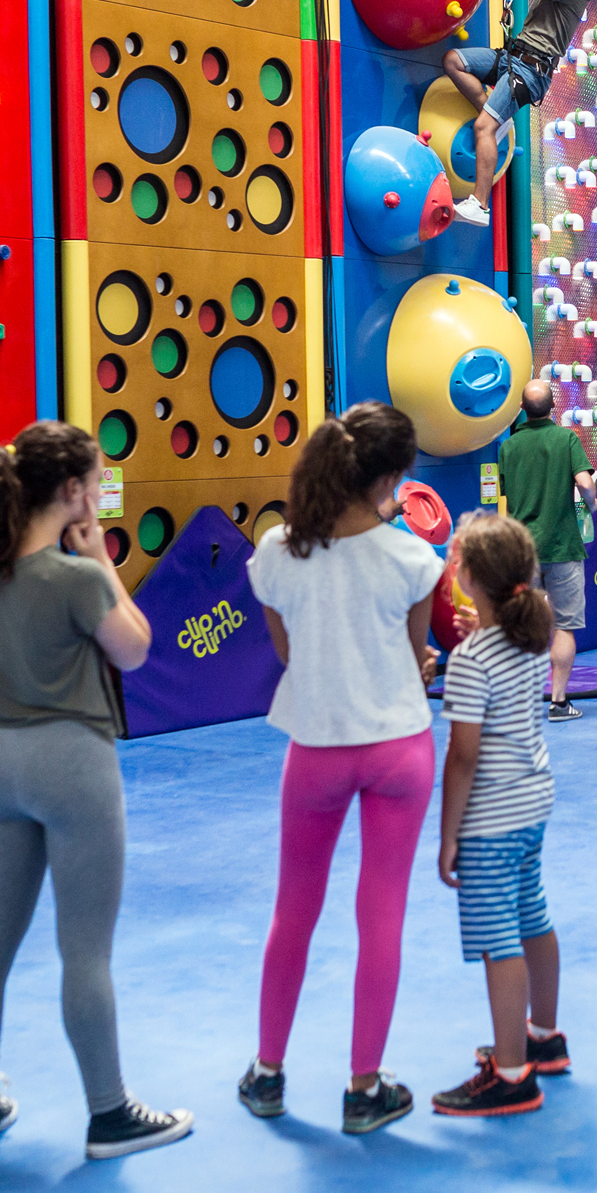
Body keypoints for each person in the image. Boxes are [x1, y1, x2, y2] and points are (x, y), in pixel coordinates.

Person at [0, 422, 191, 1160]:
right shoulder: (77, 578)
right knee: (85, 951)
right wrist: (103, 561)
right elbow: (138, 650)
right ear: (74, 492)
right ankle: (109, 1113)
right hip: (71, 762)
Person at [236, 403, 444, 1135]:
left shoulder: (278, 552)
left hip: (316, 746)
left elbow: (289, 651)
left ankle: (267, 1073)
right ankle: (364, 1089)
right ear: (389, 478)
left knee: (294, 910)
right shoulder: (414, 559)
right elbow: (416, 661)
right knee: (379, 914)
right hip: (399, 747)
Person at [434, 513, 568, 1117]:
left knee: (497, 941)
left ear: (467, 578)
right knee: (532, 914)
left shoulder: (468, 662)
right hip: (532, 802)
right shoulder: (524, 641)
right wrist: (477, 631)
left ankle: (511, 1075)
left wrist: (447, 836)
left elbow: (462, 756)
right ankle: (543, 1037)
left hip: (490, 815)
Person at [444, 0, 593, 227]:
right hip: (512, 56)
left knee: (483, 127)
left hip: (531, 72)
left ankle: (480, 206)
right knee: (453, 61)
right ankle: (497, 116)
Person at [496, 382, 597, 721]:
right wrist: (592, 503)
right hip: (562, 546)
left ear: (523, 408)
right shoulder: (566, 439)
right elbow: (584, 483)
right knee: (564, 626)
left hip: (523, 551)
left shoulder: (508, 447)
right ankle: (558, 702)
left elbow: (507, 494)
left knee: (522, 625)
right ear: (553, 407)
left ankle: (516, 703)